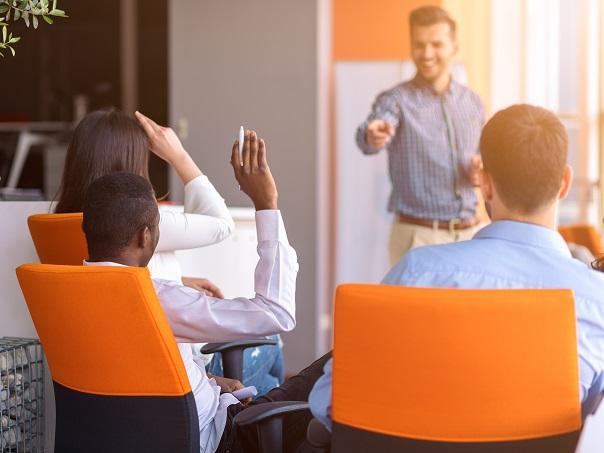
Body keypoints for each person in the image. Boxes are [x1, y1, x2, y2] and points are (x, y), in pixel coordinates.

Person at [310, 104, 604, 429]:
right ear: (564, 182)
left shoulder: (416, 273)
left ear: (485, 184)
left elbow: (331, 401)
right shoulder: (596, 299)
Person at [82, 133, 330, 452]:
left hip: (148, 432)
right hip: (222, 438)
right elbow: (276, 313)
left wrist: (210, 382)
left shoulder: (70, 293)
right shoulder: (153, 300)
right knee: (348, 362)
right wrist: (267, 203)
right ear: (145, 236)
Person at [55, 110, 284, 396]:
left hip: (116, 379)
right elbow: (222, 224)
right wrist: (178, 155)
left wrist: (180, 279)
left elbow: (110, 279)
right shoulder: (137, 221)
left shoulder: (62, 222)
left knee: (262, 390)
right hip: (176, 375)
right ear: (145, 237)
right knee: (272, 345)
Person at [356, 6, 485, 265]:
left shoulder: (472, 102)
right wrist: (372, 135)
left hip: (471, 236)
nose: (426, 54)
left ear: (454, 46)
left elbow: (482, 159)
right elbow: (371, 133)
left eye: (436, 44)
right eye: (419, 45)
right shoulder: (395, 100)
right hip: (419, 238)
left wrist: (479, 170)